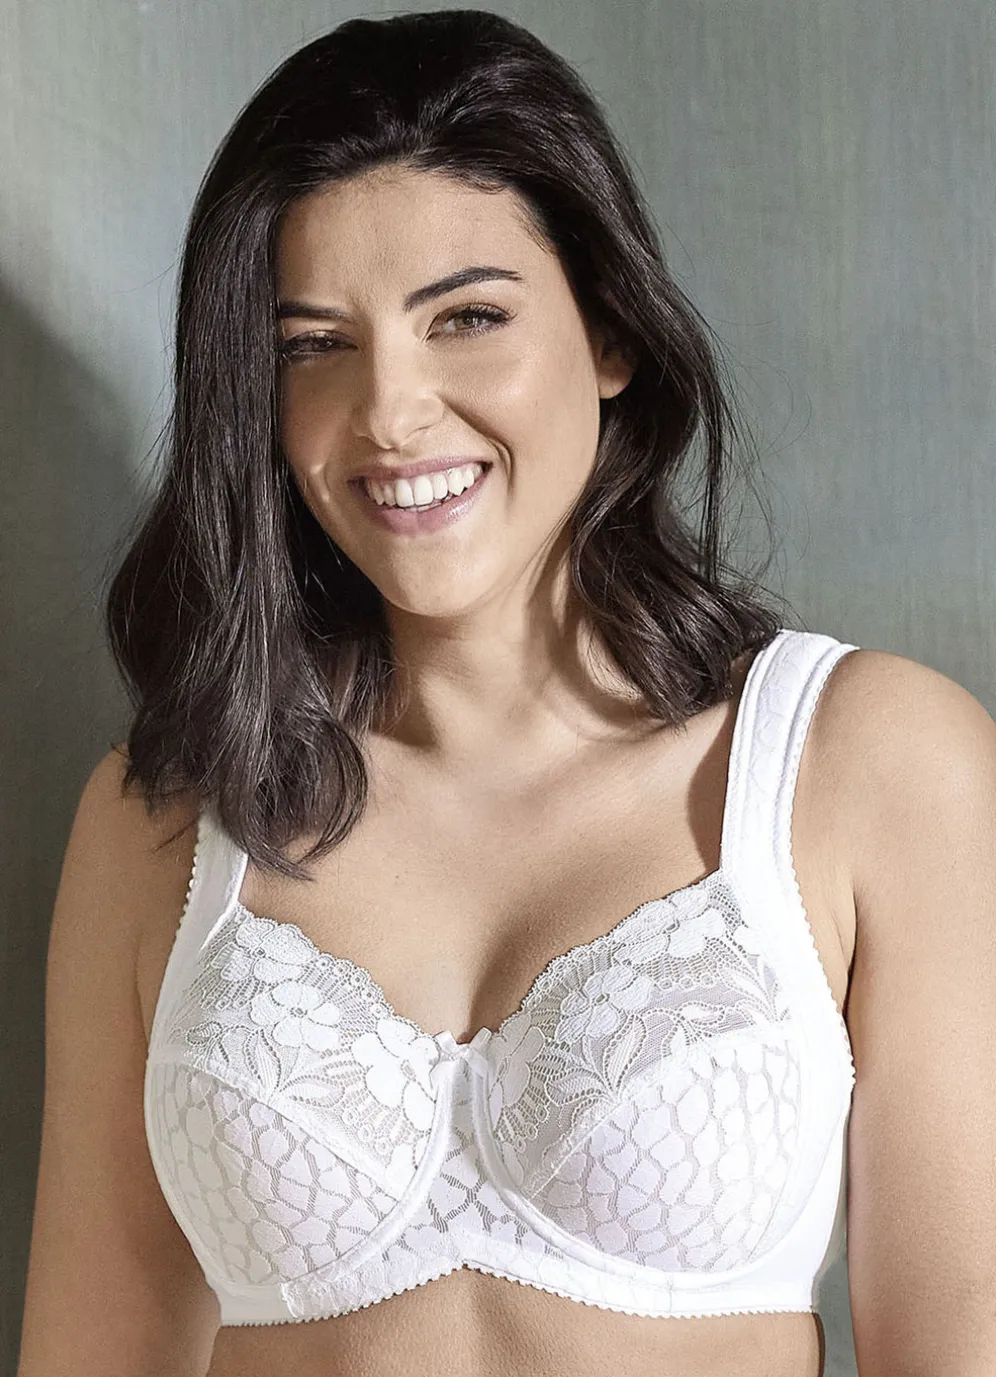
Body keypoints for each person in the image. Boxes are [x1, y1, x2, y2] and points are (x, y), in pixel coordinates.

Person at [16, 10, 995, 1377]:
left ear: (611, 333)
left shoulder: (870, 763)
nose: (390, 412)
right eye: (314, 344)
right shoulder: (164, 820)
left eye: (467, 318)